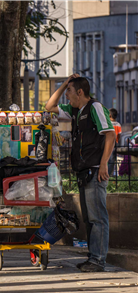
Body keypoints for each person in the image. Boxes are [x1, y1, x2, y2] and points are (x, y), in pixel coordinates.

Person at [46, 74, 116, 272]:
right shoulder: (75, 111)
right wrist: (64, 84)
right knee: (89, 219)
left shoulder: (95, 108)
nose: (66, 97)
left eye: (69, 92)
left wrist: (104, 164)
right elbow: (49, 107)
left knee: (97, 218)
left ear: (80, 92)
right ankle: (93, 258)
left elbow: (110, 134)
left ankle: (98, 260)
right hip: (83, 171)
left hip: (95, 170)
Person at [108, 108, 122, 176]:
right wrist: (117, 140)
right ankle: (110, 174)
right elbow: (119, 134)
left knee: (106, 159)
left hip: (107, 142)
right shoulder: (118, 124)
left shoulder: (108, 124)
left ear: (109, 115)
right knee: (112, 159)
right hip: (114, 143)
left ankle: (106, 174)